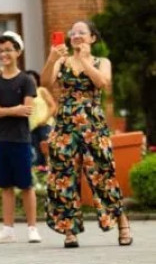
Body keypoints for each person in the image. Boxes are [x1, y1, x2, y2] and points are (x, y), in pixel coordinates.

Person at [42, 20, 132, 247]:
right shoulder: (61, 61)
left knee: (103, 173)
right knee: (64, 177)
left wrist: (83, 60)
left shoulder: (102, 62)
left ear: (92, 38)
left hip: (93, 125)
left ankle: (122, 223)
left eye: (82, 32)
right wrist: (52, 58)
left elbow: (102, 83)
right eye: (73, 32)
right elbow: (44, 83)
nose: (76, 35)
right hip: (64, 127)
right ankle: (69, 231)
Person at [0, 32, 40, 244]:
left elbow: (27, 110)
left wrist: (3, 109)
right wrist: (13, 109)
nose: (4, 54)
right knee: (5, 186)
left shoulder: (26, 80)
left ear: (18, 52)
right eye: (0, 51)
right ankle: (8, 229)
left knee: (26, 185)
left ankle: (32, 228)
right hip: (1, 139)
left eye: (8, 50)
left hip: (21, 139)